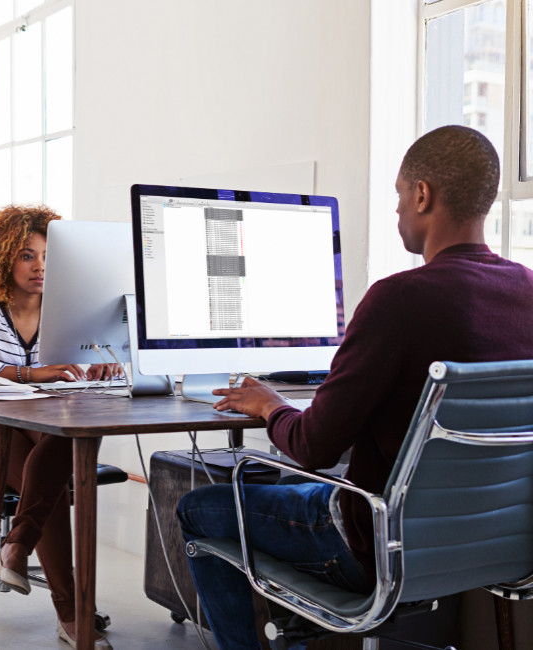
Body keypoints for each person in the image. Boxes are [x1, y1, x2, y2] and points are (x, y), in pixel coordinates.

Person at [177, 125, 533, 650]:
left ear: (422, 194)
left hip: (379, 549)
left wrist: (270, 405)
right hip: (497, 544)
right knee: (298, 488)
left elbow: (313, 447)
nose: (396, 211)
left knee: (200, 508)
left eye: (397, 195)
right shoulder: (527, 290)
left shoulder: (398, 300)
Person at [0, 204, 119, 649]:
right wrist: (26, 373)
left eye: (47, 256)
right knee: (48, 488)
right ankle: (71, 614)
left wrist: (101, 366)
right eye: (26, 255)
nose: (39, 266)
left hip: (43, 426)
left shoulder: (66, 309)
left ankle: (18, 544)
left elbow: (100, 355)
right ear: (4, 257)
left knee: (62, 446)